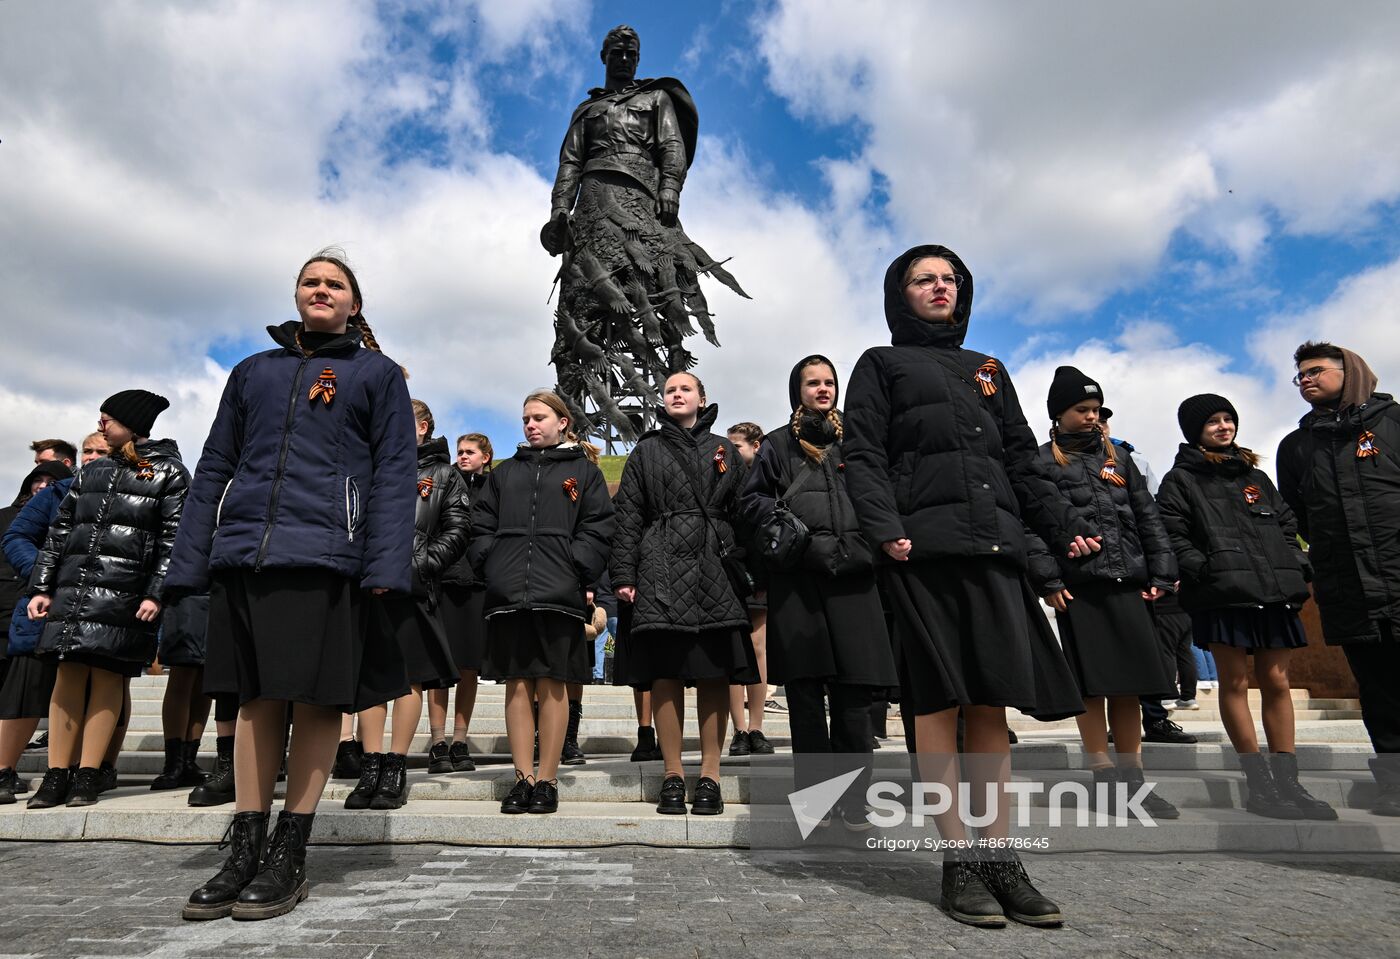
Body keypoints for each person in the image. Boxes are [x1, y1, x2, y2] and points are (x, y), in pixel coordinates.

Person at [844, 244, 1096, 928]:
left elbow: (1019, 457)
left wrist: (1061, 523)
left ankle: (1001, 857)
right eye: (924, 279)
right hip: (921, 554)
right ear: (901, 293)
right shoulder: (880, 364)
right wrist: (884, 525)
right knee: (935, 705)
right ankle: (959, 861)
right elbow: (862, 453)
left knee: (990, 708)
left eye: (949, 278)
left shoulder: (990, 368)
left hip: (994, 550)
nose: (939, 287)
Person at [165, 249, 416, 921]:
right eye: (311, 281)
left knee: (314, 701)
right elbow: (215, 461)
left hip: (328, 556)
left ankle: (290, 845)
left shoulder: (377, 374)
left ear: (354, 304)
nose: (322, 289)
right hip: (247, 554)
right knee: (253, 700)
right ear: (297, 294)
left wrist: (387, 565)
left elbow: (395, 470)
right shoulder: (254, 372)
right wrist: (190, 559)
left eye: (335, 283)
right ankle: (245, 841)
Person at [1158, 394, 1333, 820]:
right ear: (1194, 431)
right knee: (1234, 682)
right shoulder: (1180, 480)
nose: (1223, 426)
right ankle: (1259, 785)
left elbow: (1288, 526)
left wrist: (1296, 564)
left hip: (1274, 591)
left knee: (1277, 681)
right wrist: (1209, 569)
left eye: (1228, 418)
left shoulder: (1255, 476)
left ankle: (1290, 783)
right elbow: (1172, 533)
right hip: (1223, 594)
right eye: (1212, 421)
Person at [741, 355, 898, 824]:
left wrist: (870, 543)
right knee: (806, 699)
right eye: (813, 382)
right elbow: (752, 504)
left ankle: (854, 801)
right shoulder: (774, 445)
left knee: (856, 698)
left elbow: (884, 496)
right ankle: (817, 802)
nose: (823, 389)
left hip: (855, 579)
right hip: (800, 581)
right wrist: (799, 540)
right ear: (799, 391)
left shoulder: (862, 441)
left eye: (829, 382)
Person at [1026, 367, 1180, 820]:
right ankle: (1103, 777)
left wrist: (1162, 572)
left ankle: (1133, 780)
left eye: (1097, 410)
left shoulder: (1122, 460)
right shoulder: (1038, 463)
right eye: (1082, 410)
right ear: (1058, 414)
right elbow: (1032, 529)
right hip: (1080, 589)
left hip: (1129, 583)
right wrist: (1049, 580)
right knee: (1092, 688)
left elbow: (1149, 519)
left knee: (1129, 687)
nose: (1092, 417)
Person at [26, 392, 188, 809]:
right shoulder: (89, 474)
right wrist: (41, 587)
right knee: (67, 675)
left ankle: (88, 774)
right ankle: (55, 774)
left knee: (107, 677)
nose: (100, 426)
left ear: (132, 424)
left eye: (107, 419)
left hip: (127, 595)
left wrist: (157, 593)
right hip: (72, 590)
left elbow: (173, 543)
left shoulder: (169, 474)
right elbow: (59, 534)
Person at [611, 372, 758, 815]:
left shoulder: (725, 449)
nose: (676, 394)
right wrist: (624, 572)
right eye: (670, 389)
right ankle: (673, 774)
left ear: (702, 399)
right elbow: (629, 515)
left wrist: (746, 558)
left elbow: (744, 509)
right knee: (665, 676)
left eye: (684, 389)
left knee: (714, 674)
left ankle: (710, 774)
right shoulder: (646, 450)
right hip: (659, 566)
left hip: (714, 568)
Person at [470, 390, 614, 816]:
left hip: (559, 594)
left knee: (552, 685)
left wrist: (576, 565)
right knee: (517, 686)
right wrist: (491, 563)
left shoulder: (584, 473)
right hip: (509, 592)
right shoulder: (505, 473)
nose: (531, 425)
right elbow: (481, 524)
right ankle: (522, 778)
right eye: (526, 419)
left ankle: (547, 780)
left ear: (562, 422)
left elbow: (599, 525)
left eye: (539, 417)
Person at [1276, 342, 1400, 816]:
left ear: (1349, 372)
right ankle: (1393, 785)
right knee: (1378, 689)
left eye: (1315, 371)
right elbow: (1301, 518)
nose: (1306, 380)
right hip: (1349, 588)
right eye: (1300, 375)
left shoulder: (1394, 423)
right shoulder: (1296, 446)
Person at [347, 400, 469, 810]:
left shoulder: (444, 474)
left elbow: (458, 528)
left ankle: (396, 765)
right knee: (370, 678)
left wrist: (423, 564)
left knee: (410, 678)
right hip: (371, 585)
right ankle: (371, 763)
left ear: (424, 427)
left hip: (414, 586)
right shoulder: (373, 466)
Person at [0, 462, 74, 805]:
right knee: (25, 689)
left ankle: (80, 771)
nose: (41, 486)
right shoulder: (14, 518)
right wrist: (44, 577)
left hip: (84, 605)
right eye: (36, 479)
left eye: (50, 480)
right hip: (35, 607)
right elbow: (15, 539)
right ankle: (3, 769)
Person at [425, 432, 493, 774]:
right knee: (439, 667)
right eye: (460, 452)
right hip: (443, 582)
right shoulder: (445, 480)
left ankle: (460, 740)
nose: (463, 456)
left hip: (477, 585)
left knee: (469, 668)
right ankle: (438, 742)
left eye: (470, 452)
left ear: (485, 456)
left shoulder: (493, 488)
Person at [725, 421, 773, 757]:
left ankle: (756, 726)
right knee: (733, 652)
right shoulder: (725, 475)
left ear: (756, 445)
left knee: (758, 648)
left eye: (737, 445)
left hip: (760, 570)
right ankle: (739, 728)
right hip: (731, 570)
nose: (731, 451)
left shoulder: (768, 477)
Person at [151, 593, 213, 791]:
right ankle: (173, 763)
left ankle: (188, 760)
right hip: (187, 590)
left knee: (205, 676)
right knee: (182, 670)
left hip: (220, 589)